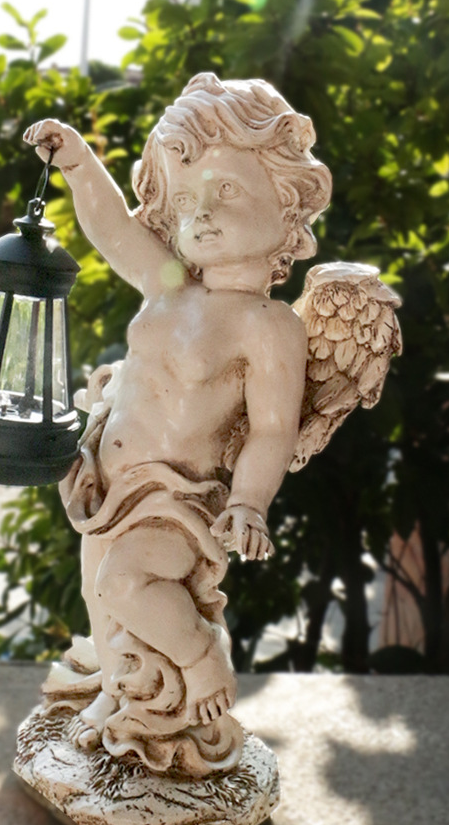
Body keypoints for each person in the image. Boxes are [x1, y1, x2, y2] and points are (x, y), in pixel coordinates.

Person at [24, 73, 333, 776]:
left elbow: (272, 431)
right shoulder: (168, 282)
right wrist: (78, 163)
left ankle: (201, 659)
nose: (203, 213)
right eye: (187, 199)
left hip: (177, 500)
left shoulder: (266, 324)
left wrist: (250, 502)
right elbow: (112, 228)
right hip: (109, 484)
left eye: (226, 192)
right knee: (103, 601)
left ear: (285, 202)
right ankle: (122, 697)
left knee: (127, 585)